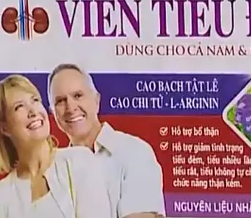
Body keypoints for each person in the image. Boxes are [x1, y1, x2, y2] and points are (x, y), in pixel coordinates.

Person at [0, 74, 115, 218]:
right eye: (19, 107)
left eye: (35, 100)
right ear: (4, 128)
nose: (33, 112)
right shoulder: (0, 196)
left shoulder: (79, 160)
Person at [47, 63, 166, 218]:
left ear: (96, 101)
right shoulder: (55, 170)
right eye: (60, 101)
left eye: (77, 96)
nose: (70, 107)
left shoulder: (135, 152)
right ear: (53, 113)